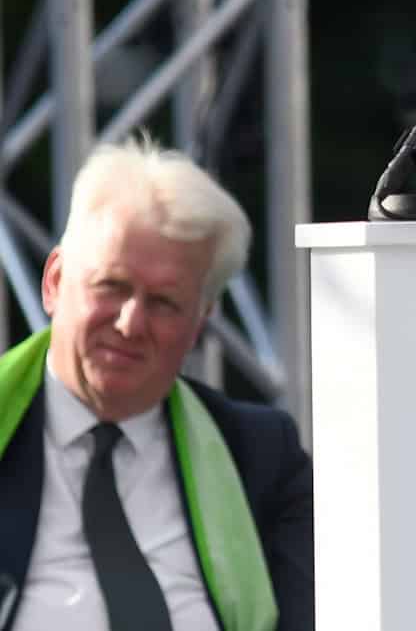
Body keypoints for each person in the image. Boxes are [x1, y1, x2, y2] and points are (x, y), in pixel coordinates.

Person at [0, 137, 314, 631]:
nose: (130, 323)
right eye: (112, 287)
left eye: (164, 303)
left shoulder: (259, 457)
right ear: (55, 281)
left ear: (202, 322)